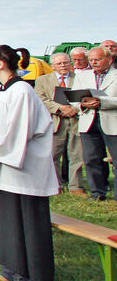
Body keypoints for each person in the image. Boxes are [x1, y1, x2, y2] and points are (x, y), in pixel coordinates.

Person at [0, 45, 58, 281]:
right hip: (0, 167)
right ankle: (9, 271)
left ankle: (27, 276)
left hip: (22, 172)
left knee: (21, 221)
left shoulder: (22, 91)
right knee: (6, 221)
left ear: (0, 64)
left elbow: (17, 132)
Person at [34, 53, 85, 196]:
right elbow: (40, 99)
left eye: (66, 62)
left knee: (76, 155)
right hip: (55, 121)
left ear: (70, 64)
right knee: (53, 155)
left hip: (75, 120)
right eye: (59, 63)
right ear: (52, 66)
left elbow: (85, 96)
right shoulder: (42, 80)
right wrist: (60, 108)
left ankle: (76, 187)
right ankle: (55, 186)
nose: (63, 65)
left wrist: (73, 109)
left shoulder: (79, 78)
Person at [73, 46, 117, 201]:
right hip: (88, 121)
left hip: (112, 122)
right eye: (91, 60)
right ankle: (97, 193)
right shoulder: (82, 76)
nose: (93, 62)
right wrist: (82, 104)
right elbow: (73, 99)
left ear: (109, 59)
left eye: (97, 59)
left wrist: (101, 102)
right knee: (91, 159)